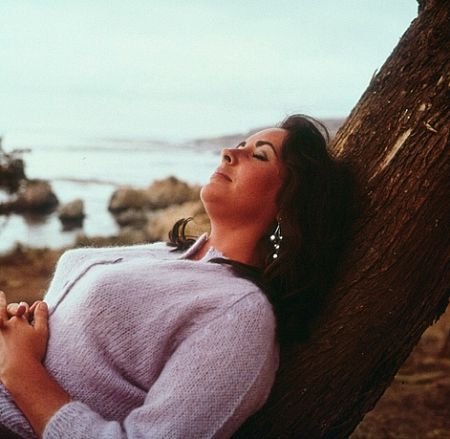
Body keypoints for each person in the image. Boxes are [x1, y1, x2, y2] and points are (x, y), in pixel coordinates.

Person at [0, 114, 353, 439]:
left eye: (259, 156)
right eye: (239, 145)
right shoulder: (167, 254)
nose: (229, 153)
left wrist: (20, 370)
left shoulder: (240, 314)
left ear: (289, 207)